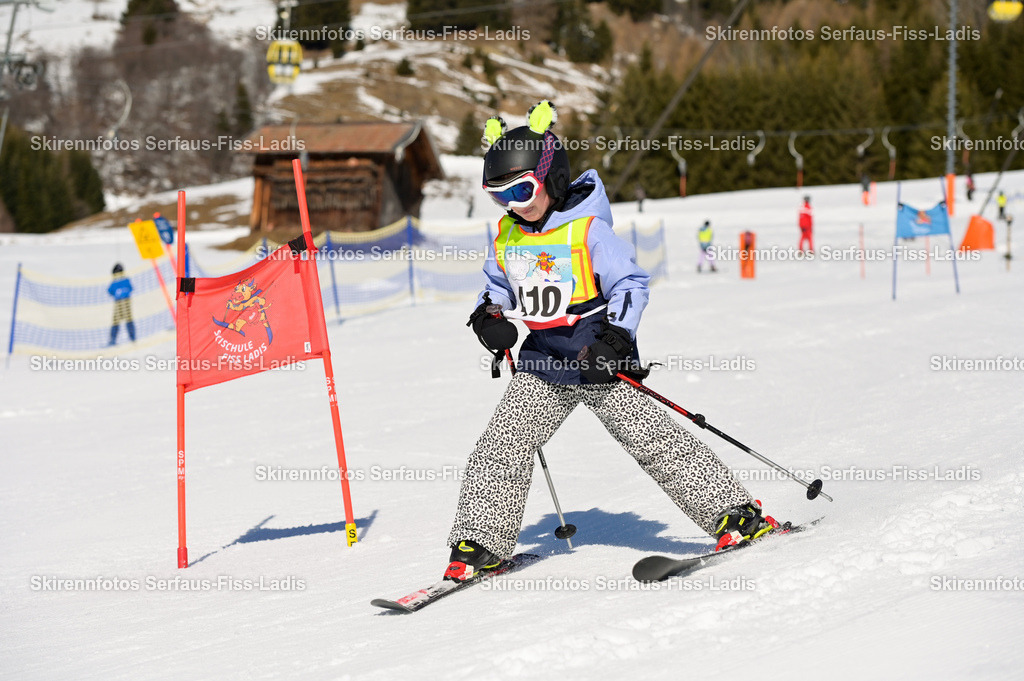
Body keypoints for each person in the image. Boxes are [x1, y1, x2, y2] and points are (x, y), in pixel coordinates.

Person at [444, 100, 781, 582]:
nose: (515, 205)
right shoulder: (508, 236)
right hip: (544, 362)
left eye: (522, 190)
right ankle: (481, 544)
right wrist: (488, 316)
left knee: (652, 439)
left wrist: (617, 338)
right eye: (501, 197)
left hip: (597, 354)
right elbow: (497, 285)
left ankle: (734, 515)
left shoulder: (588, 230)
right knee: (500, 446)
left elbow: (630, 285)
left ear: (551, 177)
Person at [107, 263, 136, 345]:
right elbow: (130, 288)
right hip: (122, 303)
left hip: (122, 303)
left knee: (124, 321)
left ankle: (131, 338)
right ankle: (131, 338)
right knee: (121, 322)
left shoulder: (117, 281)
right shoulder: (124, 280)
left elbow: (110, 292)